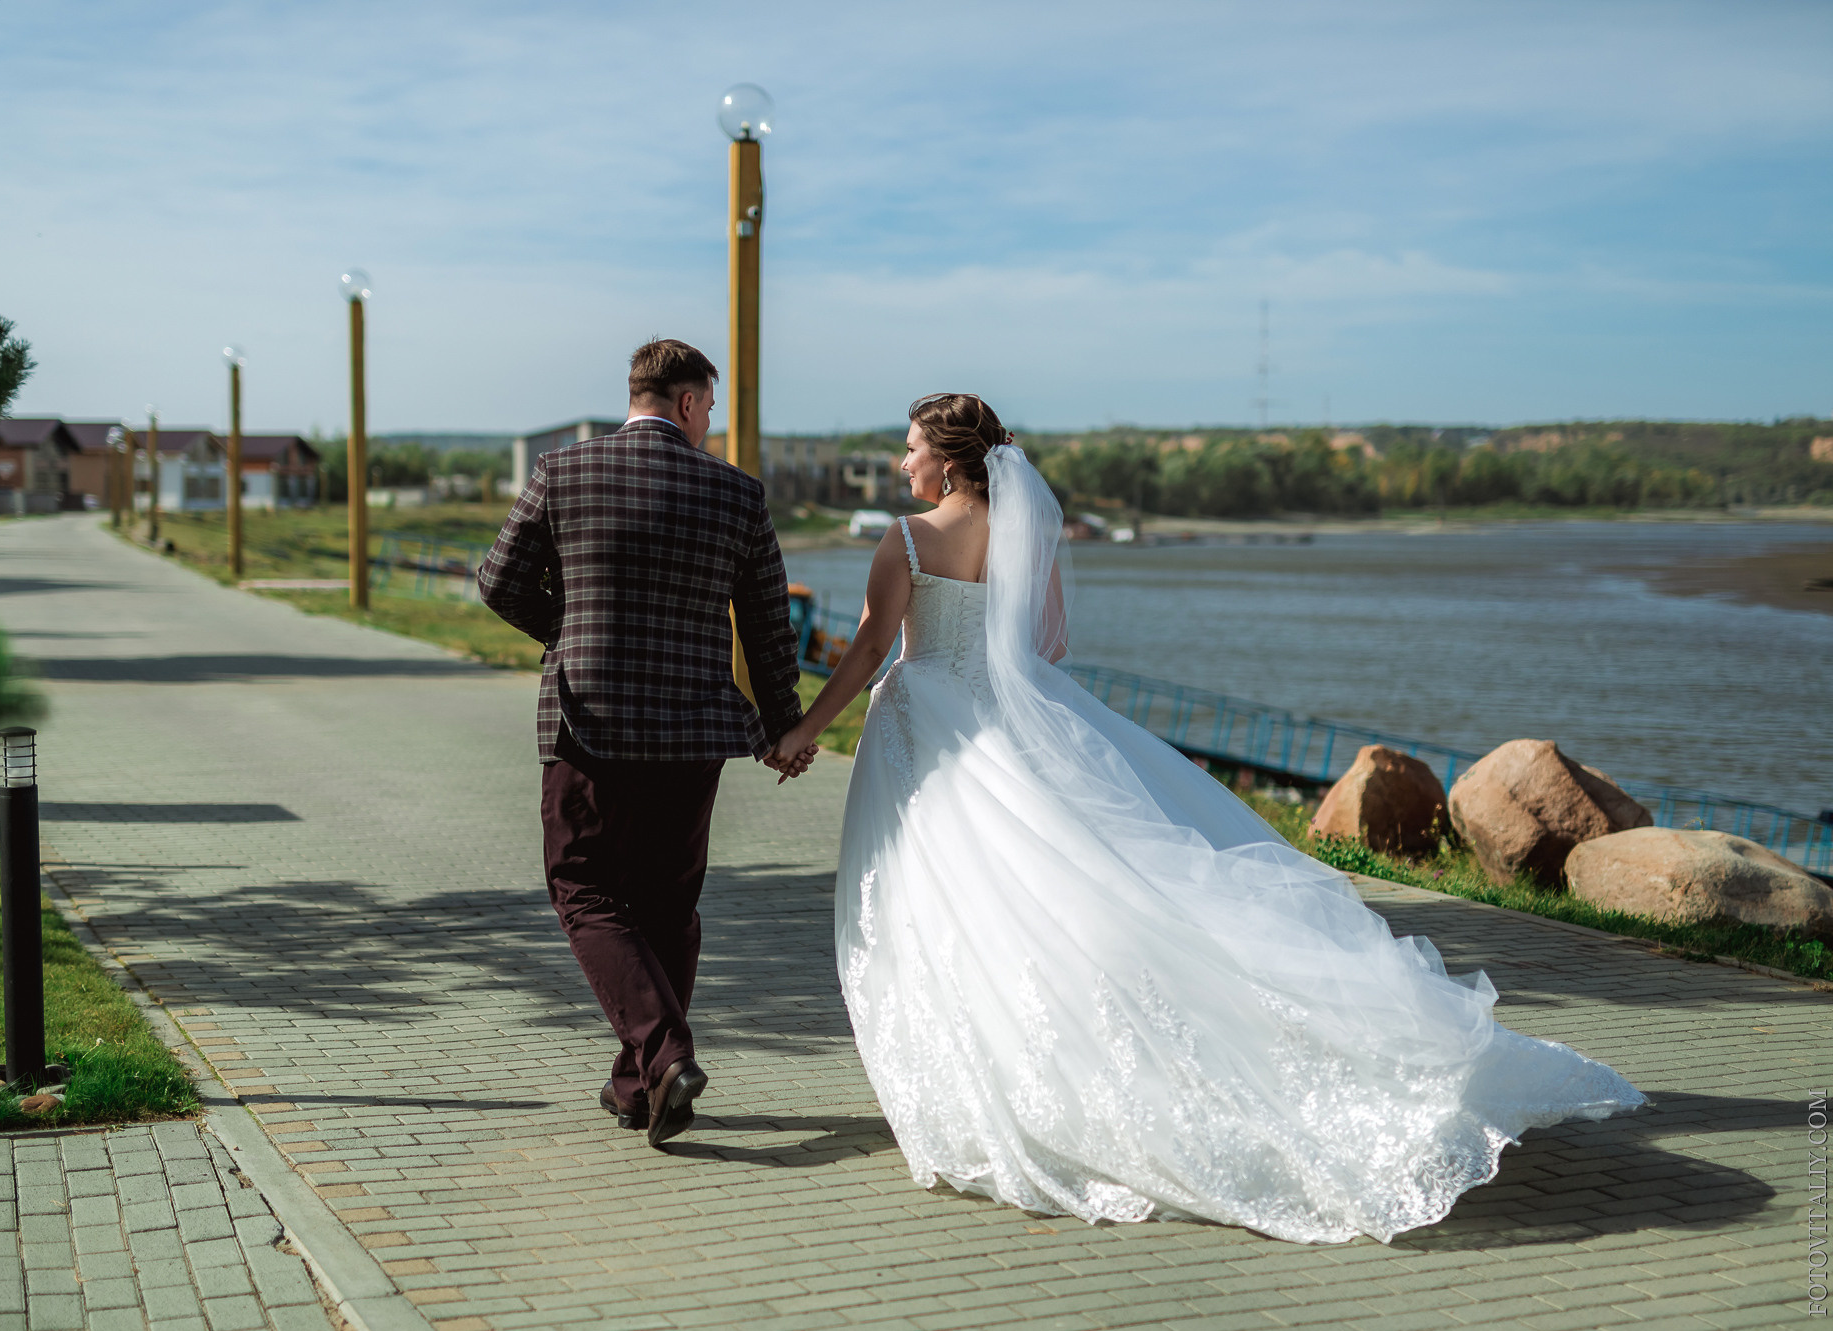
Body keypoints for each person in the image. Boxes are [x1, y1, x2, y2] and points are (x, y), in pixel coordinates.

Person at [771, 393, 1645, 1243]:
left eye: (911, 446)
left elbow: (873, 646)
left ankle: (988, 1085)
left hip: (927, 735)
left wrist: (809, 729)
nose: (903, 461)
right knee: (1056, 892)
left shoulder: (908, 540)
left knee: (940, 912)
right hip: (1003, 726)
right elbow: (1050, 644)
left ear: (949, 458)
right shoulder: (1019, 532)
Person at [479, 339, 817, 1149]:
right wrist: (782, 725)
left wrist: (567, 632)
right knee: (668, 903)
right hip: (691, 727)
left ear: (636, 395)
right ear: (693, 402)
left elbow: (497, 580)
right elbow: (769, 628)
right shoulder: (737, 494)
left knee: (585, 889)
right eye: (711, 409)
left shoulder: (562, 472)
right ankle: (639, 1084)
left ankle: (661, 1059)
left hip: (586, 722)